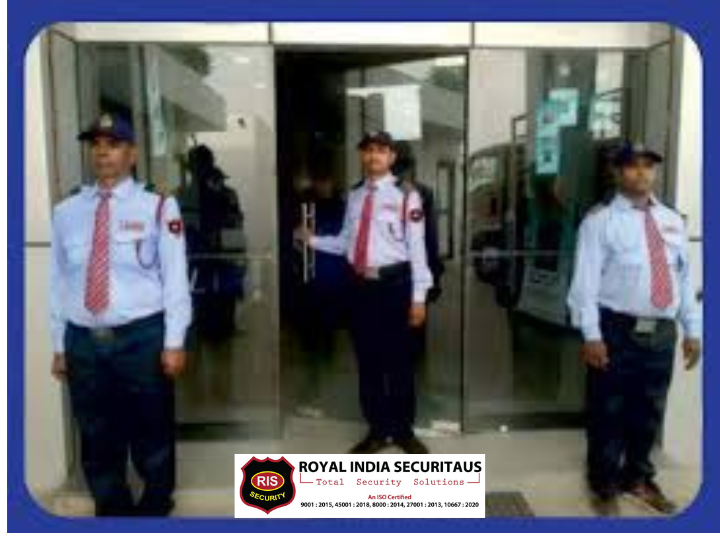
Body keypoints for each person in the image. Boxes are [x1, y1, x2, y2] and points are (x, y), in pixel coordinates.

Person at [50, 113, 192, 516]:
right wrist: (59, 344)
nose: (102, 152)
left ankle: (155, 505)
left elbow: (175, 278)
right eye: (96, 144)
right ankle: (112, 510)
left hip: (141, 336)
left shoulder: (158, 205)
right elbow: (58, 283)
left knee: (151, 427)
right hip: (83, 340)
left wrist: (174, 342)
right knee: (96, 432)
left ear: (132, 154)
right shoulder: (67, 211)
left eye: (113, 144)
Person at [567, 141, 702, 516]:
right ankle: (604, 482)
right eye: (632, 165)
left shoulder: (672, 220)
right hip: (616, 329)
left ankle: (638, 478)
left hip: (661, 331)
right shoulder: (600, 221)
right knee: (607, 409)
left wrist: (692, 329)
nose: (642, 172)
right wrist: (592, 335)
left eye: (648, 166)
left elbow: (682, 278)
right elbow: (584, 284)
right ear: (616, 171)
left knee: (649, 410)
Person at [295, 130, 433, 454]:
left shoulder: (407, 196)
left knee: (399, 362)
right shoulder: (355, 196)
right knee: (369, 361)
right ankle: (377, 430)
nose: (374, 156)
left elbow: (418, 250)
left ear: (391, 157)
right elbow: (346, 242)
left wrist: (418, 298)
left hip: (395, 287)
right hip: (360, 288)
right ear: (362, 156)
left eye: (381, 150)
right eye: (368, 150)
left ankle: (403, 432)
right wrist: (313, 240)